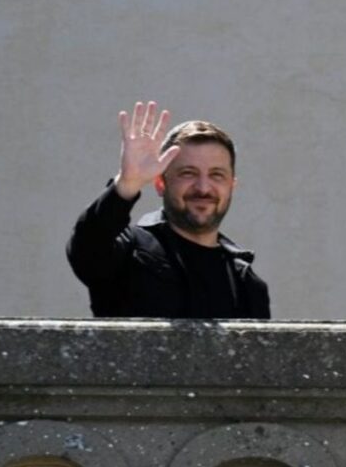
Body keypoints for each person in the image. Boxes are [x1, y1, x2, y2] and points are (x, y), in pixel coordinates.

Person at [67, 101, 270, 320]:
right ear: (161, 183)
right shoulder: (128, 252)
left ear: (231, 186)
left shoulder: (247, 283)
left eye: (216, 175)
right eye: (188, 173)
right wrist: (126, 185)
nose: (203, 188)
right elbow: (87, 248)